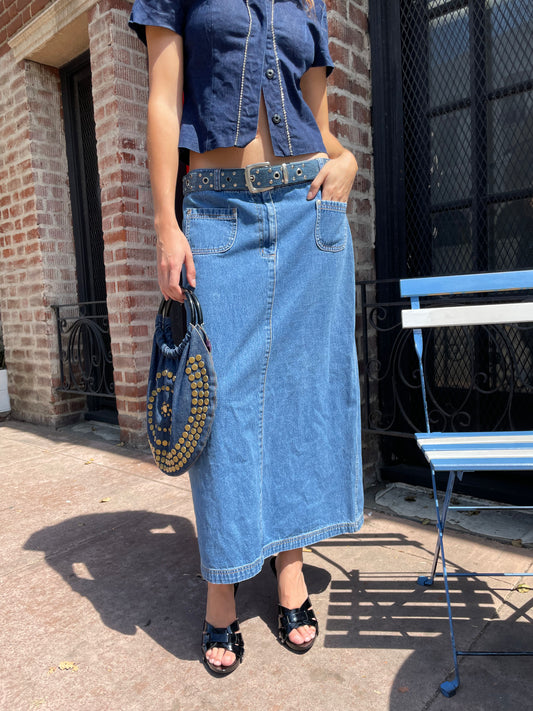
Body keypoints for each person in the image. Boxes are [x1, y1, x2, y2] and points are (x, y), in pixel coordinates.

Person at [129, 0, 364, 676]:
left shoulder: (307, 3)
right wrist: (166, 225)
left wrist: (343, 160)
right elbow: (163, 98)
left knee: (296, 397)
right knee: (224, 412)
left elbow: (319, 125)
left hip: (306, 212)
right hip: (217, 212)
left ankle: (289, 564)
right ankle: (223, 581)